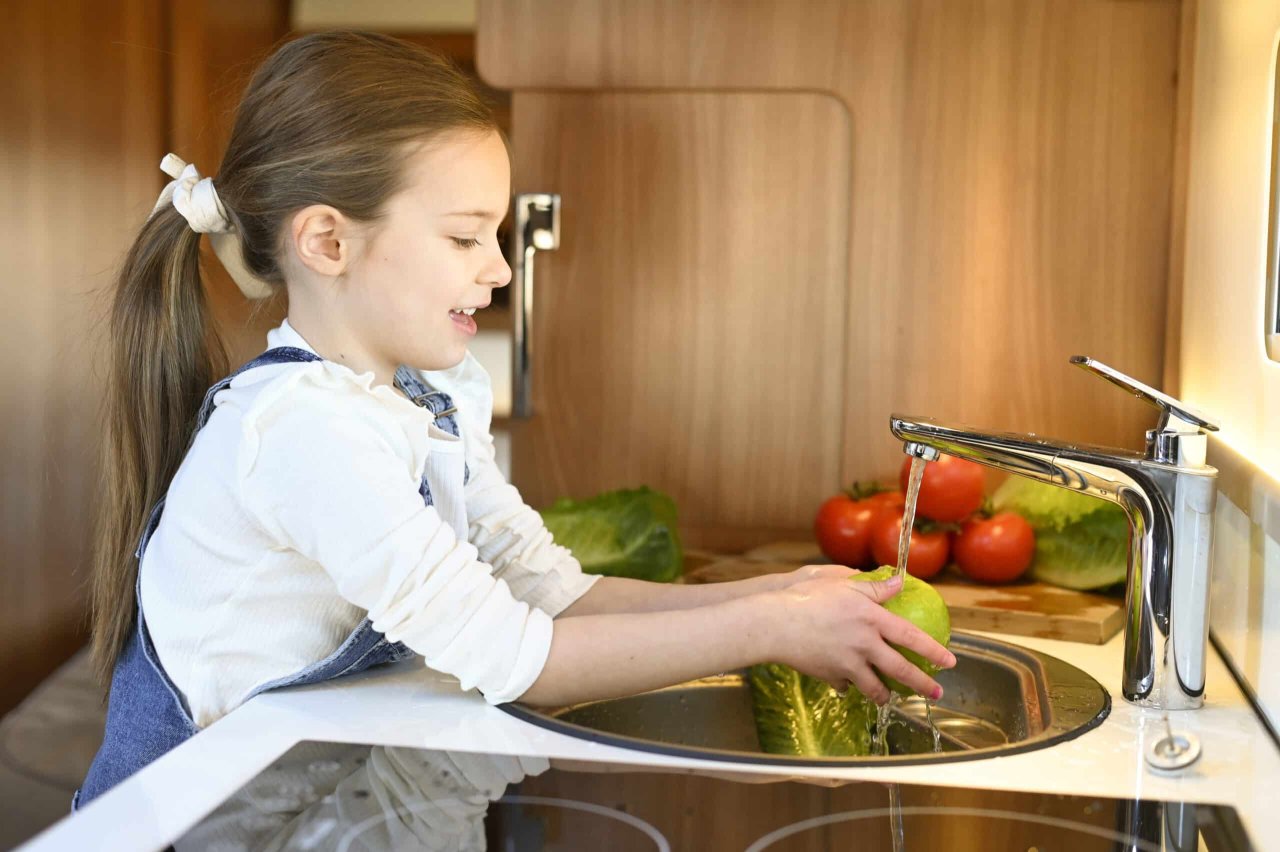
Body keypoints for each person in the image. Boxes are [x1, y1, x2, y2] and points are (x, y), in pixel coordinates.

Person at [75, 31, 954, 809]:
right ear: (328, 243)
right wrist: (766, 631)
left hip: (314, 807)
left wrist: (769, 595)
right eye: (465, 238)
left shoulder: (431, 395)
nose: (498, 270)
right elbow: (512, 657)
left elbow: (542, 588)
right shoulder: (300, 433)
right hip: (190, 825)